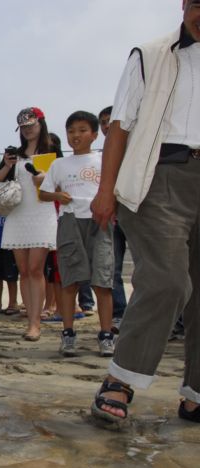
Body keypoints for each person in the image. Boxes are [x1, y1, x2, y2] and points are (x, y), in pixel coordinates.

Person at [90, 0, 200, 425]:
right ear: (184, 5)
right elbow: (121, 125)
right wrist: (106, 189)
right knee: (168, 281)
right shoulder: (149, 55)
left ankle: (195, 396)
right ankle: (120, 379)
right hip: (158, 179)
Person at [39, 111, 114, 358]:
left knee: (102, 280)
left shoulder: (104, 160)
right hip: (69, 222)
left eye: (82, 130)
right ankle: (68, 333)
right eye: (71, 131)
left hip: (99, 221)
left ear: (94, 134)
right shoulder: (59, 165)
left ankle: (105, 335)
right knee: (70, 279)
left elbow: (115, 190)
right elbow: (44, 193)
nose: (76, 136)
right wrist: (58, 196)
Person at [0, 107, 59, 341]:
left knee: (36, 269)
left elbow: (59, 186)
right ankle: (30, 318)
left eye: (31, 125)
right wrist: (7, 165)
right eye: (23, 127)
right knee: (23, 271)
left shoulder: (52, 150)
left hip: (42, 211)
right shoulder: (16, 155)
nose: (28, 130)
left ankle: (35, 323)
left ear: (41, 123)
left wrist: (44, 178)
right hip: (18, 213)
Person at [98, 105, 127, 333]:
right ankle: (118, 315)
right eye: (103, 122)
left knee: (151, 269)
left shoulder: (140, 148)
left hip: (139, 215)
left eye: (111, 120)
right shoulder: (100, 158)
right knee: (112, 269)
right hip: (111, 218)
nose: (107, 126)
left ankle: (175, 322)